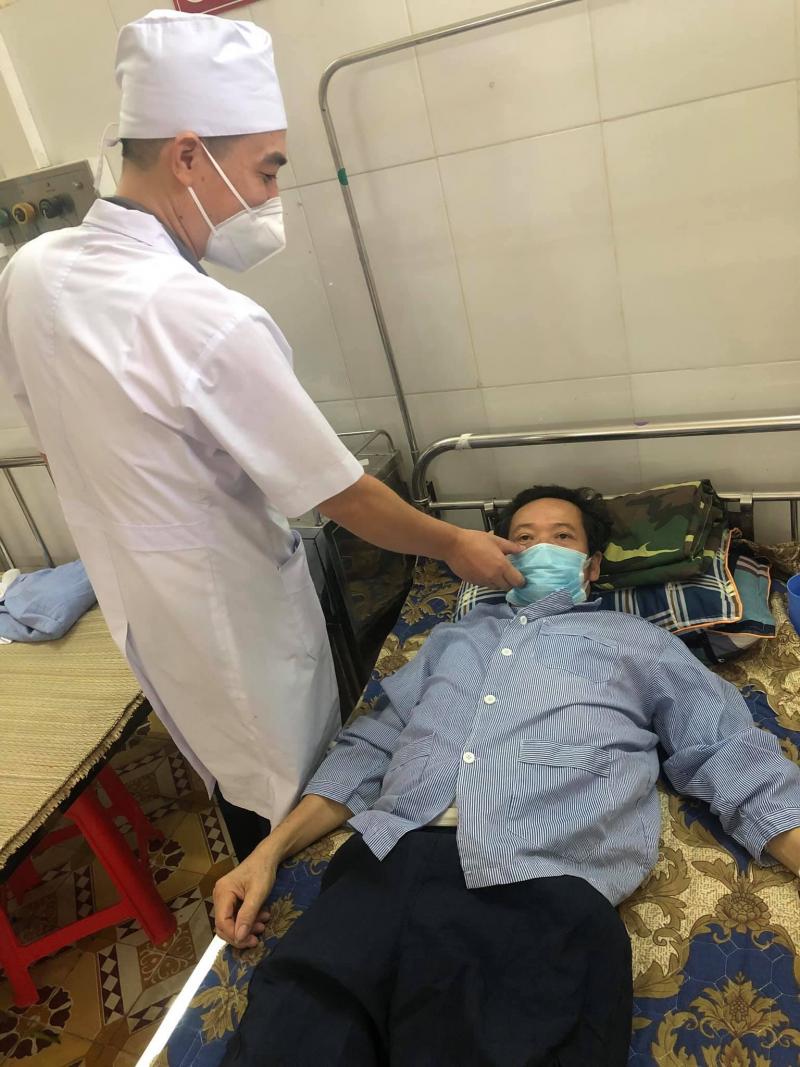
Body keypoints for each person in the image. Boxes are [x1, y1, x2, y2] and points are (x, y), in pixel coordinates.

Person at [0, 11, 522, 859]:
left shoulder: (33, 269)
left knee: (230, 770)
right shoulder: (204, 317)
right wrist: (455, 542)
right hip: (229, 613)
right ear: (188, 156)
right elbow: (342, 495)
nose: (271, 197)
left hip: (143, 599)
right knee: (297, 794)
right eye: (266, 169)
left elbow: (54, 431)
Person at [213, 485, 800, 1067]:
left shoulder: (641, 642)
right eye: (523, 537)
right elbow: (368, 748)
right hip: (381, 871)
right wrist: (265, 855)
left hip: (539, 885)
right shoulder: (450, 639)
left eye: (562, 537)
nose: (540, 547)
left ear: (592, 566)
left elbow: (727, 751)